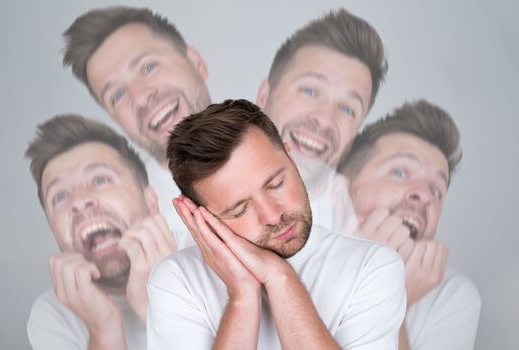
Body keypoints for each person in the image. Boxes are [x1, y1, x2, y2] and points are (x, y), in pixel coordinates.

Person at [147, 99, 406, 349]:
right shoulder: (178, 280)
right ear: (200, 217)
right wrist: (242, 295)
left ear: (291, 159)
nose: (272, 216)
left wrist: (279, 276)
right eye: (240, 210)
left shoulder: (372, 267)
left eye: (276, 184)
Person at [337, 100, 481, 350]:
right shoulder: (286, 258)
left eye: (437, 190)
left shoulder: (452, 296)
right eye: (400, 173)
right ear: (340, 191)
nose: (425, 195)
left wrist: (393, 294)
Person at [26, 115, 177, 349]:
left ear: (151, 201)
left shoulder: (209, 262)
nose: (79, 201)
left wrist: (158, 305)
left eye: (99, 180)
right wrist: (103, 329)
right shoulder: (53, 317)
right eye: (60, 196)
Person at [63, 6, 211, 241]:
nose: (140, 98)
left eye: (148, 67)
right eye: (117, 96)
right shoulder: (124, 232)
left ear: (196, 62)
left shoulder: (284, 150)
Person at [256, 8, 387, 210]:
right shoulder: (194, 195)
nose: (325, 120)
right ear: (264, 97)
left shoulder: (359, 232)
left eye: (347, 109)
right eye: (309, 91)